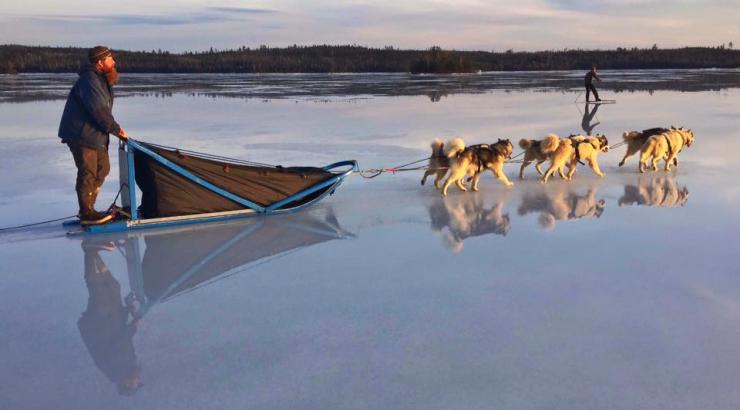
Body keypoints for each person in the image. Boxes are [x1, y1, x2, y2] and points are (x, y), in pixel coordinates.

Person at [58, 46, 127, 225]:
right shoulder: (90, 79)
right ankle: (87, 213)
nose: (114, 62)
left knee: (102, 169)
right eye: (110, 59)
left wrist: (111, 129)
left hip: (94, 134)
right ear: (100, 62)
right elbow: (98, 109)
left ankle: (90, 208)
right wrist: (116, 129)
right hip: (81, 134)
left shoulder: (101, 79)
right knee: (88, 172)